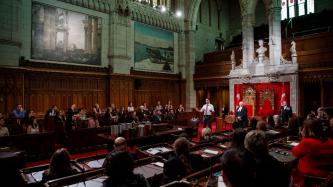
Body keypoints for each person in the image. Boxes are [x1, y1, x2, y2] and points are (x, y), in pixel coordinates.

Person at [291, 119, 333, 186]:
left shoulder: (307, 142)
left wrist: (303, 138)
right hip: (327, 177)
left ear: (309, 130)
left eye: (303, 128)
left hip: (307, 177)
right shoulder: (331, 141)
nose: (302, 130)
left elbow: (294, 153)